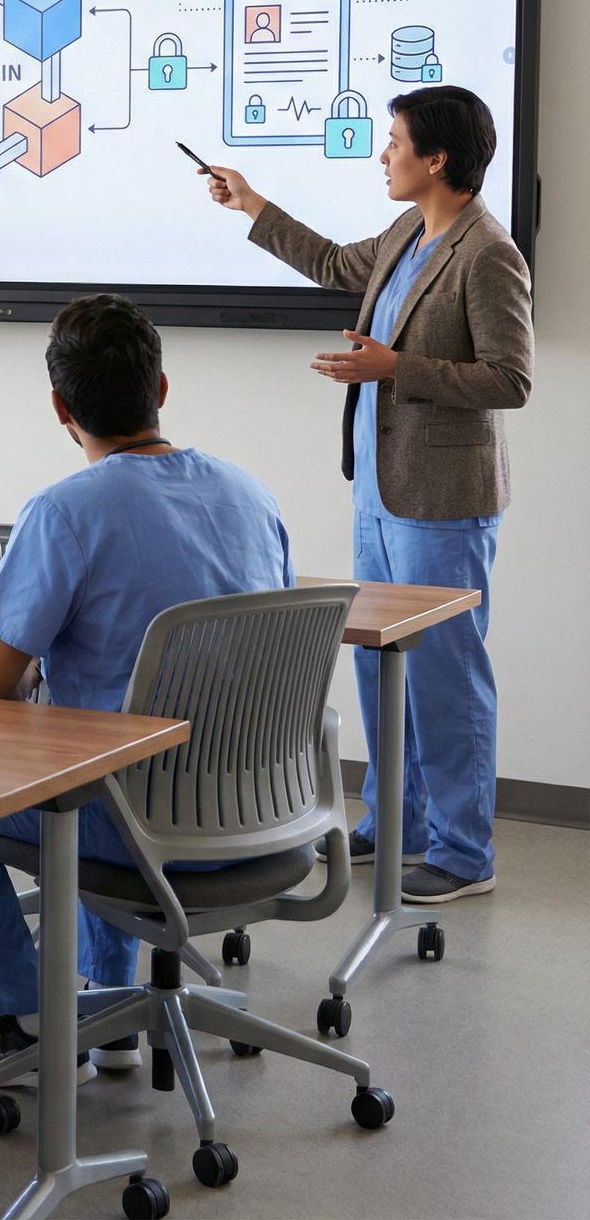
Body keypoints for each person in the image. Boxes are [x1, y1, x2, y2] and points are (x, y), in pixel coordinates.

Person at [0, 295, 292, 1090]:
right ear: (163, 389)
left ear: (60, 407)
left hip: (137, 826)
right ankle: (109, 1021)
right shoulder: (253, 495)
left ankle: (35, 1021)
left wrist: (40, 673)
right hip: (264, 813)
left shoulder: (64, 512)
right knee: (95, 745)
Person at [208, 84, 532, 905]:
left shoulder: (488, 252)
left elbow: (511, 378)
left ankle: (465, 853)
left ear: (438, 159)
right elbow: (329, 264)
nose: (382, 154)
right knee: (380, 668)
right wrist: (252, 204)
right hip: (380, 492)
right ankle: (396, 824)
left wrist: (397, 369)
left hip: (443, 499)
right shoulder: (405, 231)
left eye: (394, 142)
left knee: (447, 677)